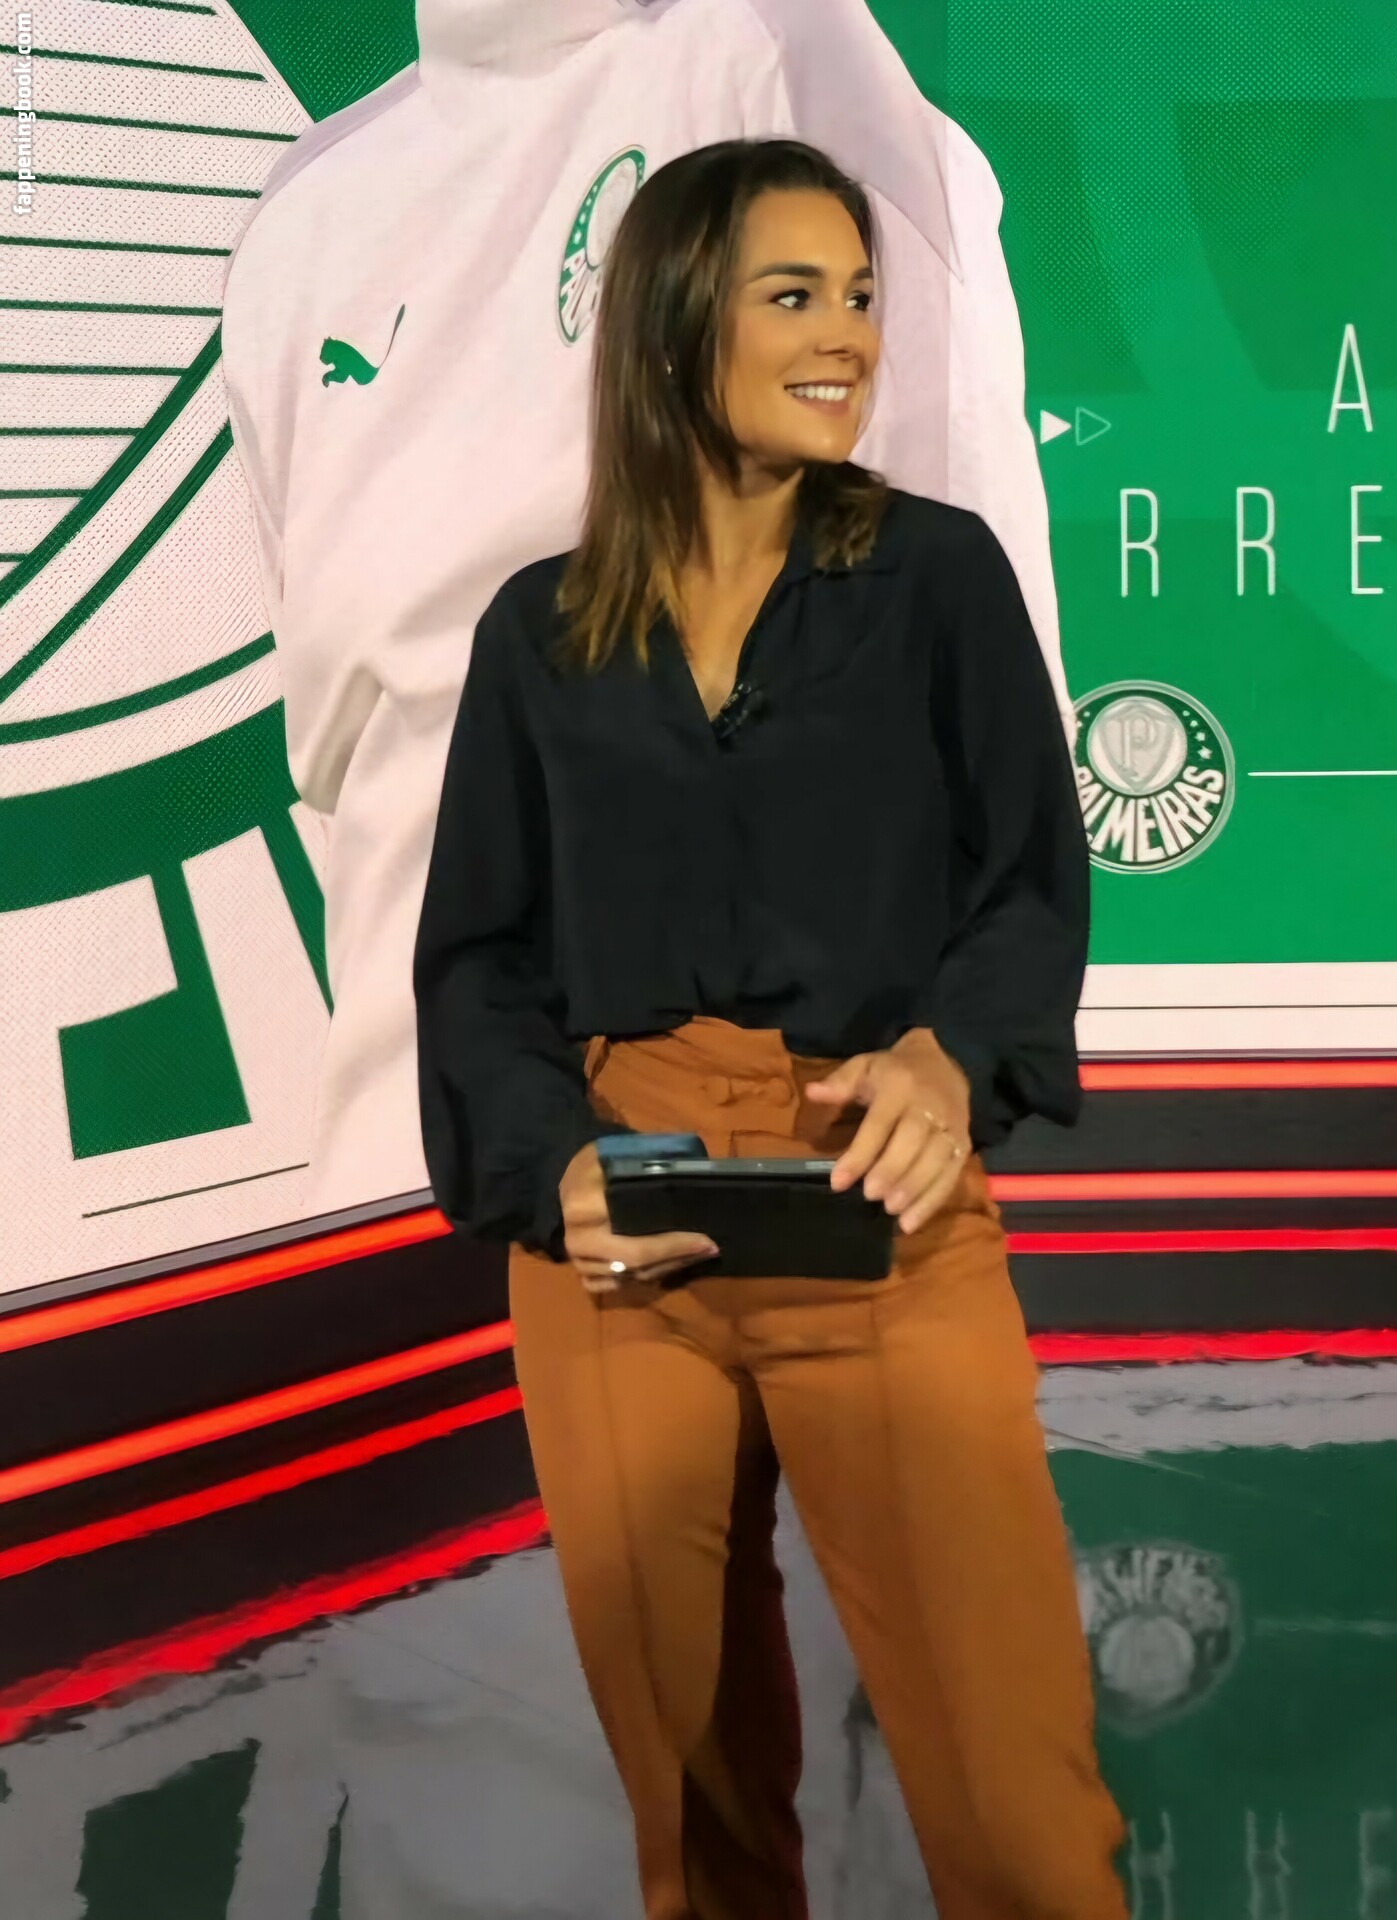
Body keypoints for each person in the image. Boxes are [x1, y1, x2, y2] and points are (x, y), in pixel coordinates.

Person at [412, 138, 1127, 1919]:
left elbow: (1030, 883)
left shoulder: (938, 579)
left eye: (859, 297)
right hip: (619, 1235)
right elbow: (480, 958)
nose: (846, 338)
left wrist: (949, 1057)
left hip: (874, 1202)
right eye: (793, 295)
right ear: (674, 322)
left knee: (1021, 1822)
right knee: (696, 1809)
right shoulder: (539, 632)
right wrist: (550, 1166)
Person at [220, 0, 1074, 1235]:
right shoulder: (303, 214)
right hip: (404, 1182)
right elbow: (343, 775)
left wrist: (945, 1066)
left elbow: (986, 734)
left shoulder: (783, 57)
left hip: (799, 1186)